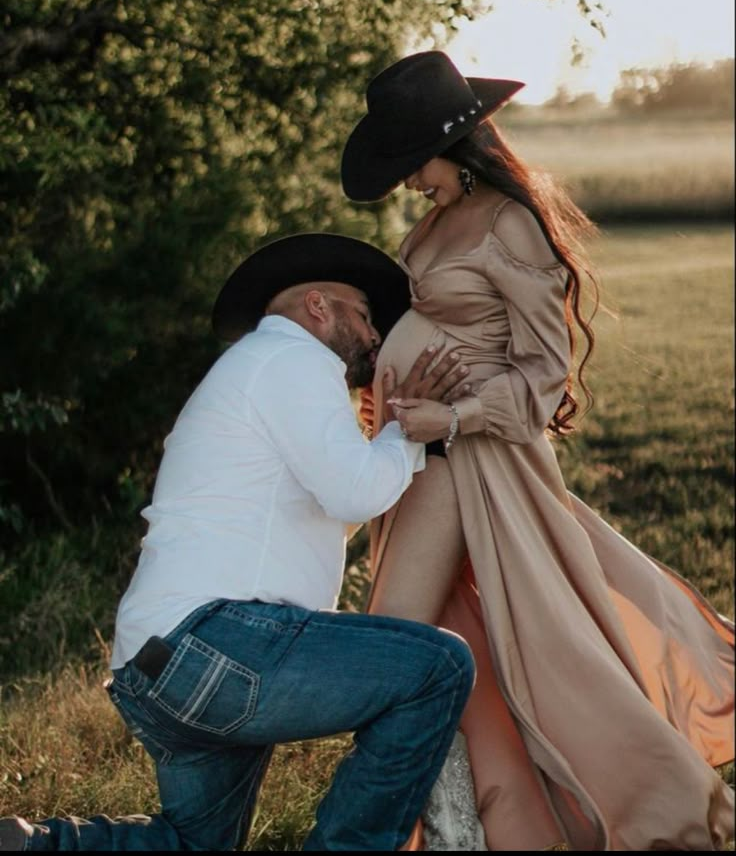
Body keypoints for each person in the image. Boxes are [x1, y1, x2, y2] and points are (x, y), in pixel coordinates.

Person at [340, 51, 735, 851]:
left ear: (452, 143)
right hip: (421, 455)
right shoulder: (436, 217)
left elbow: (545, 375)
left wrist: (448, 420)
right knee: (442, 644)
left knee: (398, 643)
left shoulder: (508, 220)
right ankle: (469, 824)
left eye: (413, 163)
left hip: (470, 462)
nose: (410, 181)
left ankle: (448, 826)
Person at [0, 233, 478, 852]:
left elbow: (336, 511)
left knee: (194, 845)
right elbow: (357, 493)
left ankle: (29, 844)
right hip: (215, 642)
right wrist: (410, 429)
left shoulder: (255, 371)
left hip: (158, 662)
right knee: (437, 667)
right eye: (363, 316)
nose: (373, 336)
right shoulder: (294, 360)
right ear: (317, 306)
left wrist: (386, 443)